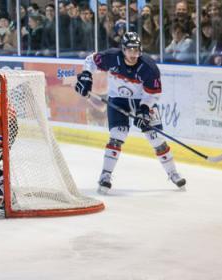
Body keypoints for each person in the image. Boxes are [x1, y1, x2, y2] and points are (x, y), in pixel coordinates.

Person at [74, 32, 186, 193]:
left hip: (141, 101)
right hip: (118, 99)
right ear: (123, 49)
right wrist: (86, 76)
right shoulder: (112, 57)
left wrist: (144, 110)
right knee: (117, 136)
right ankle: (105, 175)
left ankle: (173, 173)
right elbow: (90, 60)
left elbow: (153, 94)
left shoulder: (149, 67)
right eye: (130, 50)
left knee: (156, 138)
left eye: (136, 50)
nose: (133, 54)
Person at [0, 87, 17, 213]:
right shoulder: (1, 97)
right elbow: (14, 126)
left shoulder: (0, 98)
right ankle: (2, 188)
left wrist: (3, 149)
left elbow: (13, 126)